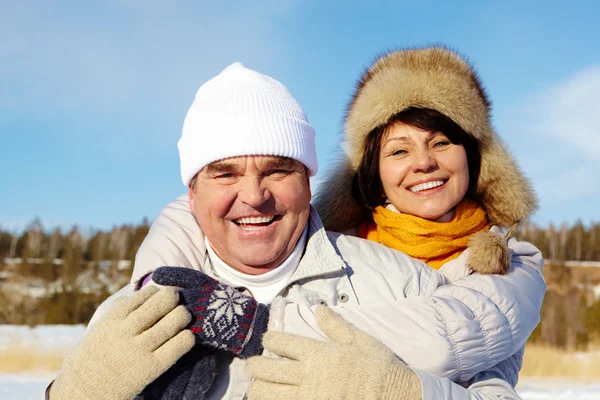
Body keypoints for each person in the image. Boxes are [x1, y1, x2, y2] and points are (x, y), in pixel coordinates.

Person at [49, 61, 542, 400]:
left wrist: (402, 391)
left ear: (309, 182)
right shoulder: (135, 312)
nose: (254, 195)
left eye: (278, 170)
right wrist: (73, 393)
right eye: (224, 173)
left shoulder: (402, 280)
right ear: (191, 194)